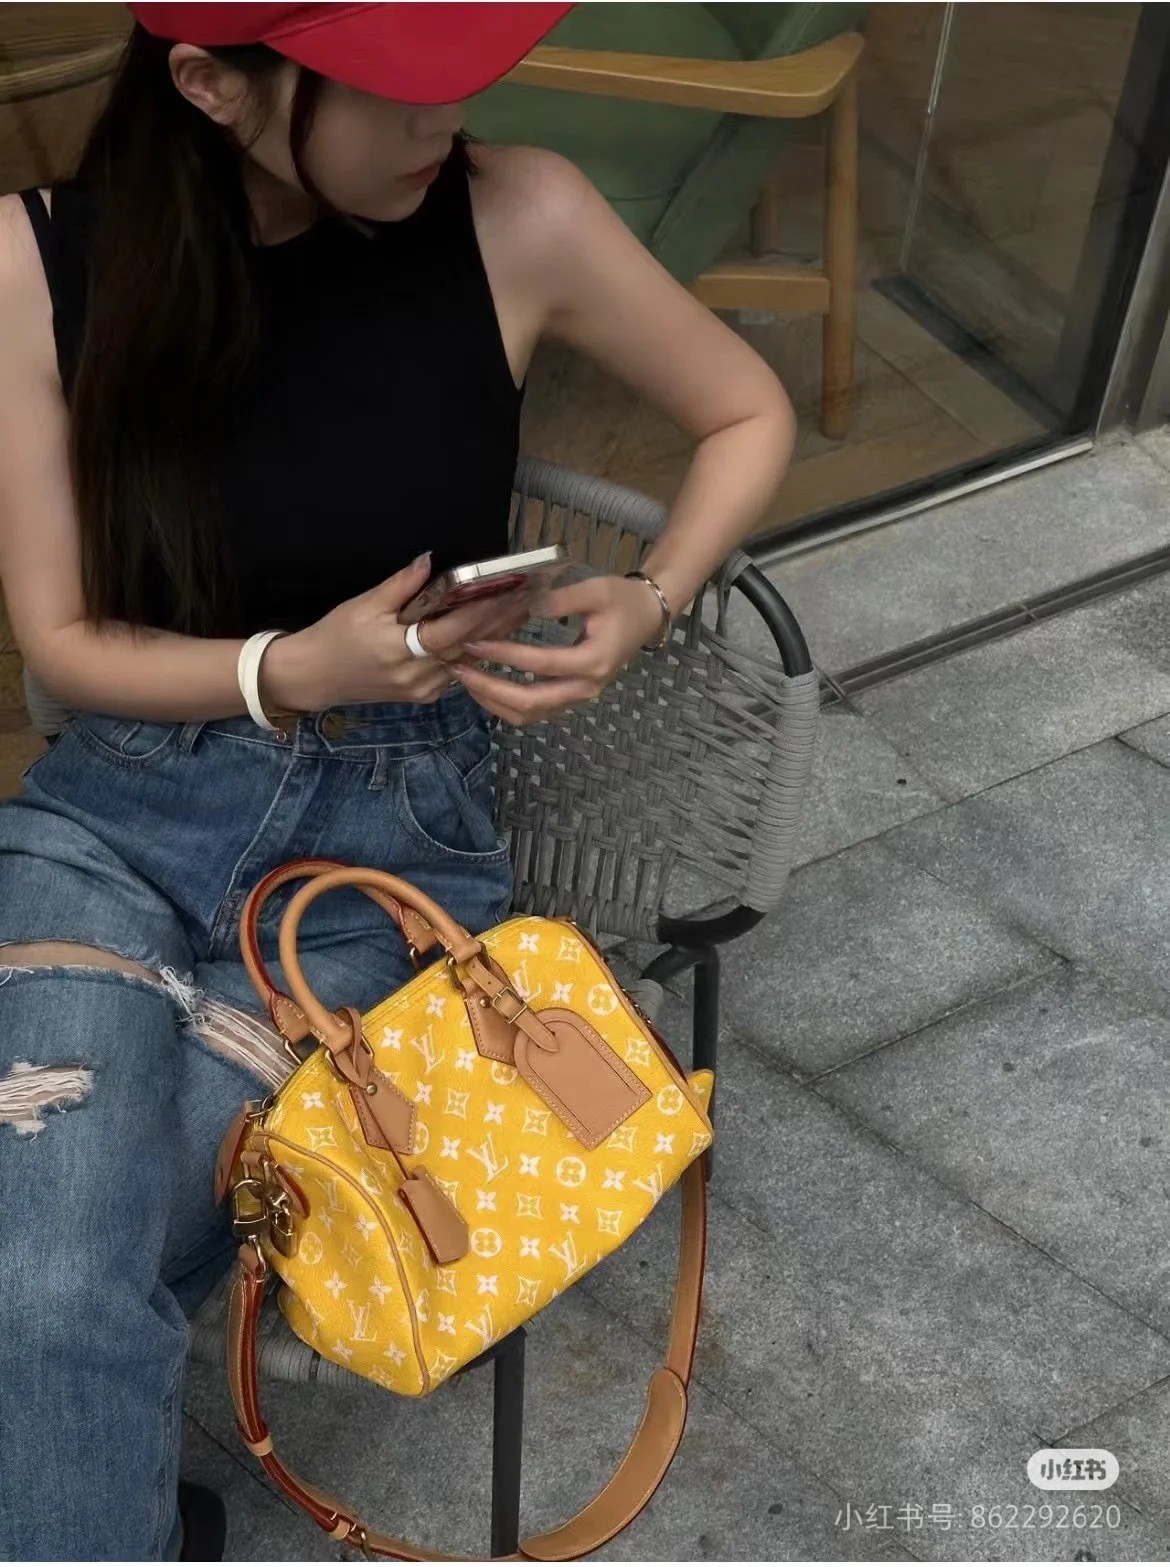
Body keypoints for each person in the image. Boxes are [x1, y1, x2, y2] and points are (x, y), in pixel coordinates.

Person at [0, 2, 796, 1558]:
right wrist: (287, 670)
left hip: (380, 867)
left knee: (55, 1263)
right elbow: (64, 642)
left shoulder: (521, 212)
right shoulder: (34, 262)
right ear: (211, 83)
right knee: (48, 1265)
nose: (448, 122)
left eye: (457, 78)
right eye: (394, 89)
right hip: (111, 824)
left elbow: (743, 408)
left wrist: (654, 597)